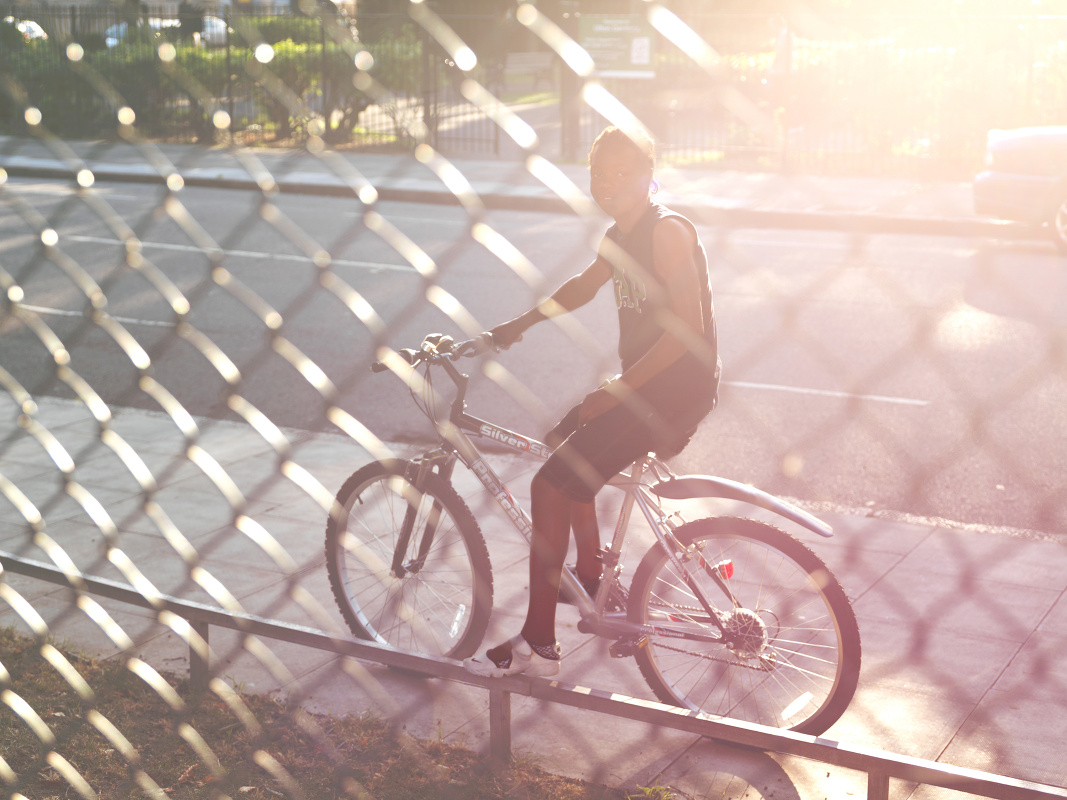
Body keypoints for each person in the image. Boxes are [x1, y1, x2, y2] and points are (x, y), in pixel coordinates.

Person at [463, 126, 721, 678]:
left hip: (676, 391)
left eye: (622, 173)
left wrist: (617, 391)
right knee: (563, 443)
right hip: (649, 387)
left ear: (650, 173)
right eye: (598, 175)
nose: (608, 185)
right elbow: (584, 285)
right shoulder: (619, 236)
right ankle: (589, 571)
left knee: (547, 483)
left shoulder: (667, 232)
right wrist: (519, 325)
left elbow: (687, 330)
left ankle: (538, 643)